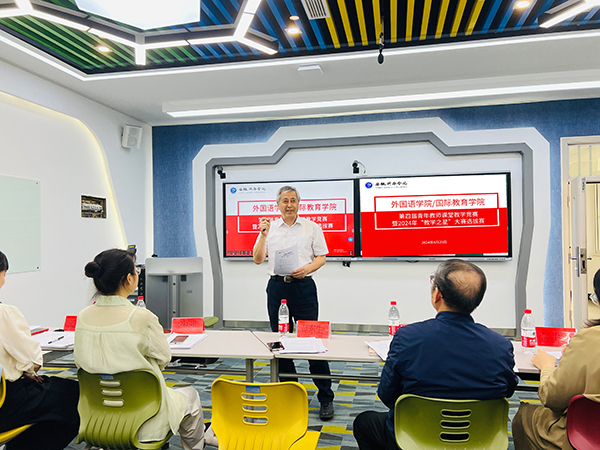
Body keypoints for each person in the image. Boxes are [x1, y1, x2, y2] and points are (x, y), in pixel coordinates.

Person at [353, 259, 518, 450]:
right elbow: (507, 391)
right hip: (480, 438)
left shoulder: (408, 337)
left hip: (415, 437)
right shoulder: (500, 346)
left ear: (437, 294)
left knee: (364, 423)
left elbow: (387, 395)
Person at [74, 248, 217, 449]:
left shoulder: (83, 317)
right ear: (128, 279)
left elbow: (80, 360)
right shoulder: (142, 317)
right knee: (191, 395)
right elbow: (164, 358)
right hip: (145, 420)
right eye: (136, 270)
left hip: (100, 418)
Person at [253, 185, 335, 421]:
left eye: (293, 200)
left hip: (303, 287)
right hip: (277, 287)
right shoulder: (269, 229)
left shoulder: (311, 227)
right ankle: (290, 394)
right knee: (280, 341)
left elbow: (322, 257)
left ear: (299, 203)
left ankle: (325, 397)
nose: (289, 205)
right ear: (278, 205)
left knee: (313, 341)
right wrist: (263, 235)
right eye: (285, 201)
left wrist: (307, 269)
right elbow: (257, 259)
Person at [512, 268, 600, 450]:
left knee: (524, 417)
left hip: (584, 438)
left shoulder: (589, 340)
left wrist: (547, 367)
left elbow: (553, 399)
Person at [0, 250, 80, 450]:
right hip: (6, 405)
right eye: (4, 275)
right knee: (75, 397)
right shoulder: (4, 313)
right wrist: (27, 371)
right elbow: (33, 361)